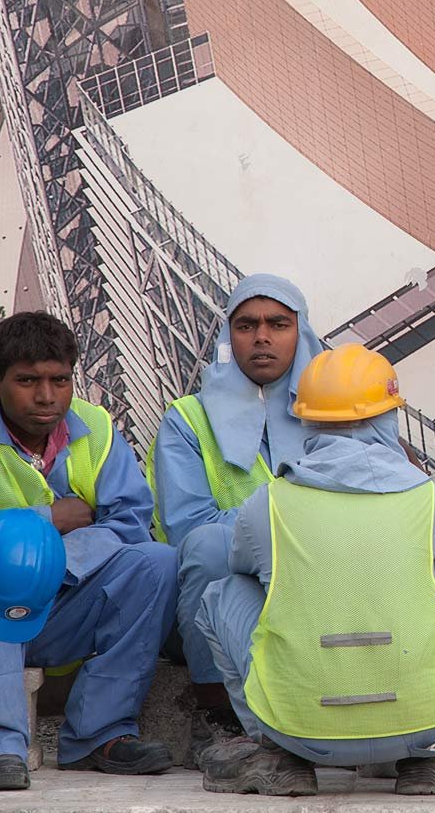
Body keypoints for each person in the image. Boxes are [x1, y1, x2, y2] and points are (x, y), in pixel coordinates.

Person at [194, 344, 435, 797]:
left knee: (226, 592)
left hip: (302, 731)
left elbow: (241, 565)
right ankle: (433, 757)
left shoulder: (270, 502)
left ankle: (277, 753)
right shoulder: (427, 497)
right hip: (420, 726)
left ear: (305, 420)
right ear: (387, 418)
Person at [0, 311, 177, 790]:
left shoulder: (96, 427)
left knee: (157, 562)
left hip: (61, 602)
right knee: (6, 564)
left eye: (59, 380)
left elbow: (129, 523)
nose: (46, 396)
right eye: (28, 381)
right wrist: (49, 523)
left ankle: (100, 734)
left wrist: (56, 562)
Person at [145, 274, 320, 759]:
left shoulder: (338, 410)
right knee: (207, 546)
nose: (261, 336)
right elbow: (188, 526)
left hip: (323, 580)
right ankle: (217, 714)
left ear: (301, 333)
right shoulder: (187, 418)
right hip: (236, 586)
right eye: (246, 324)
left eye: (278, 324)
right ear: (229, 337)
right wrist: (291, 528)